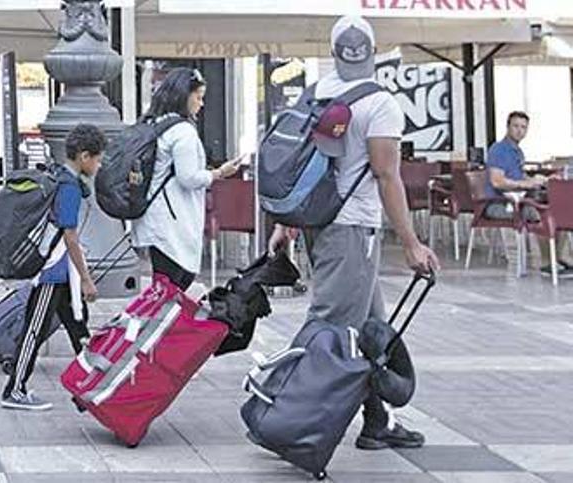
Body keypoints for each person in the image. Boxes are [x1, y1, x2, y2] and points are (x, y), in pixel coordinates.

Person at [268, 16, 440, 450]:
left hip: (320, 223)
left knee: (372, 326)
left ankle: (377, 419)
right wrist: (412, 242)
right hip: (351, 231)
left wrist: (288, 221)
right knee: (326, 327)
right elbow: (386, 174)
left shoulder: (316, 92)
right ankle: (281, 419)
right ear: (373, 49)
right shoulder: (380, 102)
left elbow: (299, 163)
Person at [1, 123, 104, 412]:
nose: (99, 164)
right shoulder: (69, 187)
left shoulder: (59, 176)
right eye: (97, 158)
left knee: (78, 328)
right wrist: (86, 279)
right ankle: (15, 389)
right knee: (35, 330)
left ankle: (91, 389)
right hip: (53, 271)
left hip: (60, 272)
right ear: (84, 157)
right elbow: (69, 236)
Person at [132, 68, 244, 290]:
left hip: (156, 219)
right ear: (184, 96)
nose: (201, 104)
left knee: (164, 290)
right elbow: (188, 178)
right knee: (171, 291)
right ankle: (158, 325)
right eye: (199, 97)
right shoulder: (182, 132)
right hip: (172, 223)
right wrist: (219, 173)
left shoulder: (156, 123)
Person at [484, 111, 572, 276]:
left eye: (523, 127)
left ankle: (559, 258)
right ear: (508, 127)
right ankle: (547, 263)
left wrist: (540, 179)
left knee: (558, 211)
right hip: (498, 204)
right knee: (541, 213)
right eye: (516, 126)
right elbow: (497, 181)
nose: (519, 130)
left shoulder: (517, 151)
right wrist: (526, 183)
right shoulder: (498, 150)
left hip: (517, 200)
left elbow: (518, 176)